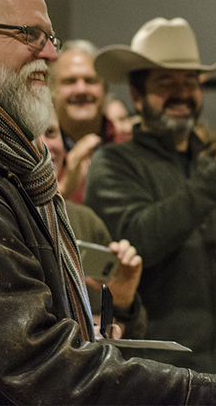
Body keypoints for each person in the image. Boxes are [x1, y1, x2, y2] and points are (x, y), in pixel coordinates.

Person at [0, 0, 216, 404]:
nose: (50, 54)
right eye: (28, 34)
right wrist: (210, 391)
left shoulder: (12, 166)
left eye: (50, 38)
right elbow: (34, 363)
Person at [85, 17, 216, 373]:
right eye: (166, 82)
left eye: (191, 82)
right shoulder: (114, 162)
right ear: (137, 95)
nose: (182, 93)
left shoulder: (210, 167)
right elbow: (139, 241)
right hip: (151, 375)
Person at [41, 107, 148, 338]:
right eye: (29, 132)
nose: (44, 144)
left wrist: (122, 302)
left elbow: (131, 336)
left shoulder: (85, 220)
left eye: (50, 132)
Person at [51, 41, 129, 202]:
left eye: (90, 80)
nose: (81, 89)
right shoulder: (36, 155)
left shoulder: (130, 148)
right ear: (52, 91)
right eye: (70, 81)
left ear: (105, 89)